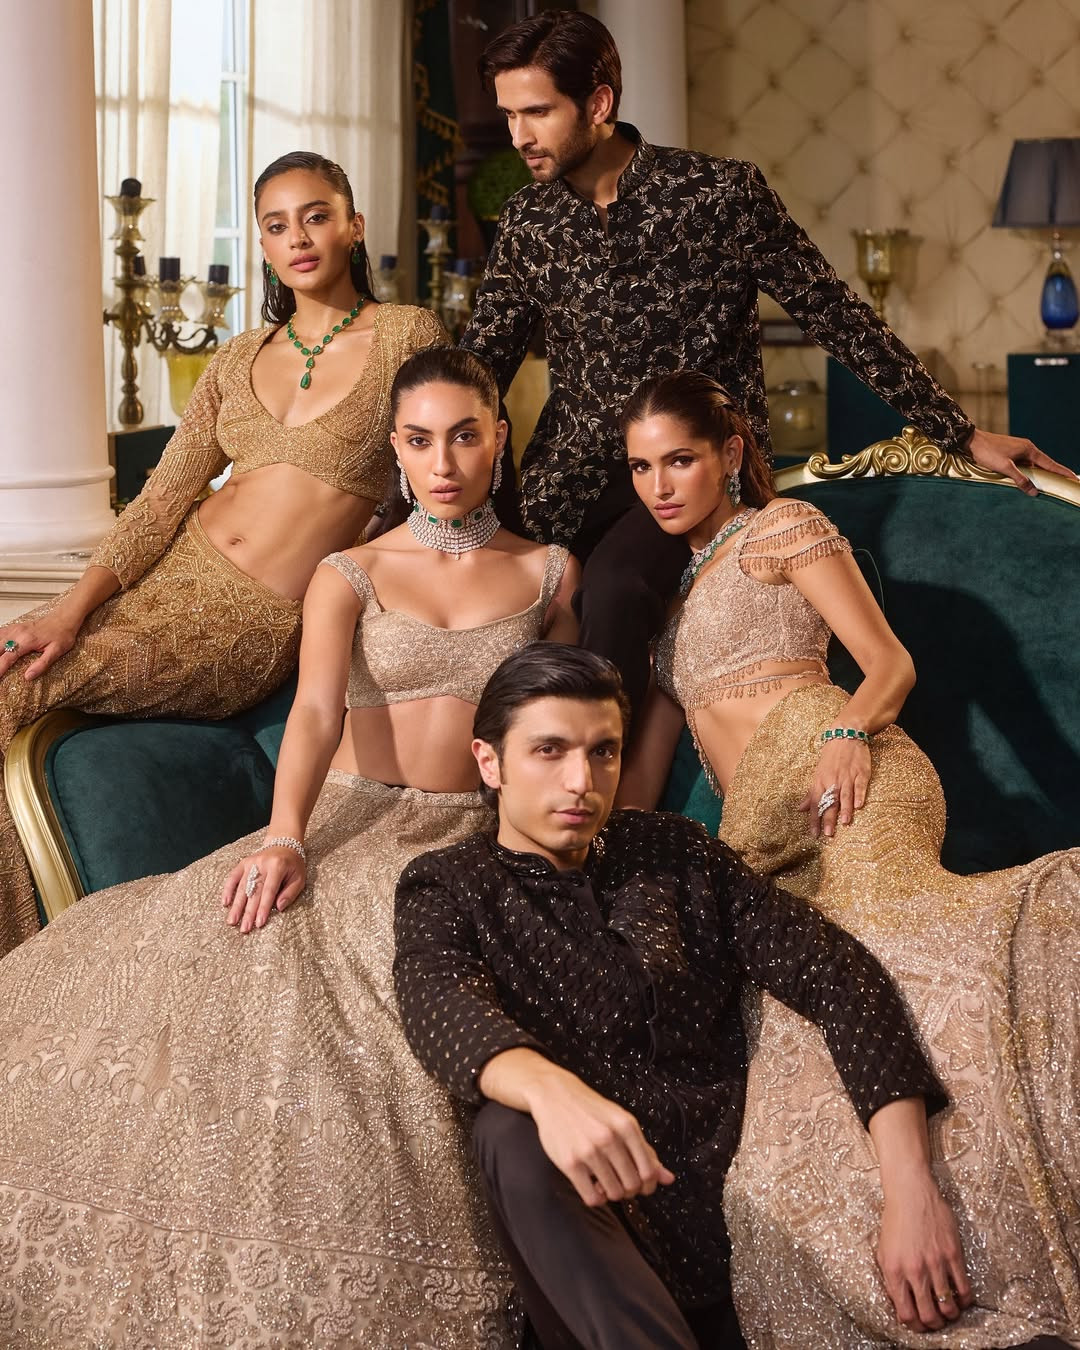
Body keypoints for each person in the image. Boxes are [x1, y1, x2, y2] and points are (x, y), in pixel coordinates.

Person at [0, 348, 578, 1346]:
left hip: (470, 835)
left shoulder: (550, 572)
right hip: (348, 816)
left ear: (499, 437)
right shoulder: (353, 570)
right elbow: (314, 713)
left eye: (465, 436)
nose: (444, 462)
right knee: (247, 958)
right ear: (395, 450)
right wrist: (285, 837)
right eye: (420, 440)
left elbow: (564, 727)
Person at [616, 370, 1079, 1347]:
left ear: (730, 454)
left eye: (680, 460)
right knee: (790, 1045)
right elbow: (639, 790)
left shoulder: (783, 530)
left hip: (846, 778)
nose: (660, 485)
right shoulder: (668, 613)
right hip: (758, 838)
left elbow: (889, 665)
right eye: (642, 467)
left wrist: (844, 734)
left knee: (892, 958)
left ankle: (968, 1228)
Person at [459, 9, 1075, 720]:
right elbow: (480, 369)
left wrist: (959, 432)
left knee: (617, 589)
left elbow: (838, 317)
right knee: (486, 604)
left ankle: (598, 778)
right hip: (564, 486)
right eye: (509, 115)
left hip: (692, 478)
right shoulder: (529, 222)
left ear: (597, 103)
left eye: (537, 112)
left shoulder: (720, 195)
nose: (519, 136)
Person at [393, 641, 985, 1350]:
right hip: (602, 1252)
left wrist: (912, 1189)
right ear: (490, 763)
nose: (581, 781)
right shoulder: (449, 885)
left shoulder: (675, 852)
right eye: (549, 751)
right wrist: (551, 1092)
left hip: (746, 1223)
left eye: (604, 752)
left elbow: (838, 975)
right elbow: (439, 1002)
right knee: (508, 1132)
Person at [0, 150, 447, 957]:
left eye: (316, 216)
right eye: (276, 225)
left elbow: (440, 466)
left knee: (15, 693)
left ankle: (18, 952)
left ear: (353, 227)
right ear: (263, 244)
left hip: (245, 625)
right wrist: (69, 609)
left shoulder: (406, 335)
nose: (298, 237)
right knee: (12, 670)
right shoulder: (239, 356)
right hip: (167, 573)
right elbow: (163, 499)